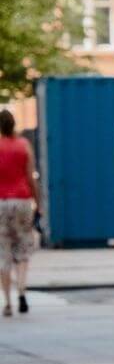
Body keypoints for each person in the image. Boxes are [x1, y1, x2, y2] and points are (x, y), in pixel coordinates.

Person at [0, 109, 40, 318]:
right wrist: (38, 203)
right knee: (23, 248)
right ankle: (22, 290)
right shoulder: (24, 145)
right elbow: (31, 178)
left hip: (1, 203)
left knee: (4, 253)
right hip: (22, 201)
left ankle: (7, 303)